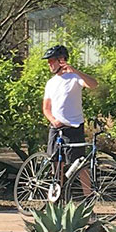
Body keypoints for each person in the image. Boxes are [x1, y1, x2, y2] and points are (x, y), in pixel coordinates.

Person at [41, 44, 98, 194]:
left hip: (73, 127)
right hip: (56, 128)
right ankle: (56, 196)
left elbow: (93, 85)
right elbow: (46, 108)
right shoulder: (51, 83)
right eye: (48, 62)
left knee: (80, 165)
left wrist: (76, 71)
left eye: (52, 61)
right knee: (56, 164)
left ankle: (88, 199)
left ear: (61, 60)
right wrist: (53, 120)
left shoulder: (75, 78)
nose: (49, 64)